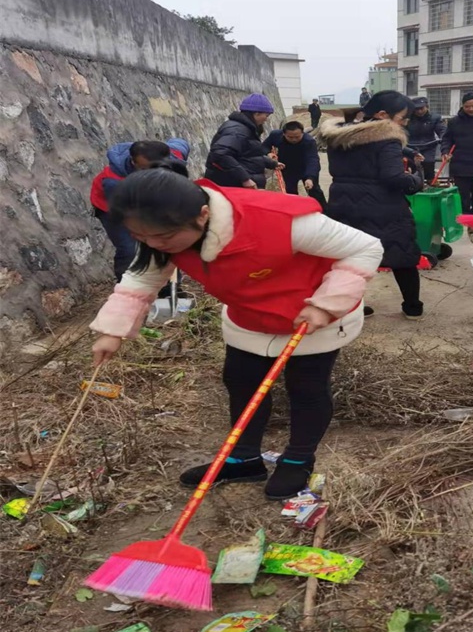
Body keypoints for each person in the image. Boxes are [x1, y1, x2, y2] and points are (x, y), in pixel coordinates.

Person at [89, 165, 383, 500]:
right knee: (241, 381)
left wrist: (325, 305)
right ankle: (244, 458)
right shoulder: (160, 232)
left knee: (307, 386)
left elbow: (366, 248)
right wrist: (113, 330)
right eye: (141, 238)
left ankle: (299, 458)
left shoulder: (280, 220)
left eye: (164, 238)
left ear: (202, 215)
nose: (155, 245)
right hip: (249, 315)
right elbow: (141, 279)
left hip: (312, 313)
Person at [318, 90, 425, 319]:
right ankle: (412, 306)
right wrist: (416, 179)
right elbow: (393, 178)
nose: (403, 124)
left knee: (350, 257)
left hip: (342, 203)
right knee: (401, 254)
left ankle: (353, 305)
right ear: (383, 114)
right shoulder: (387, 139)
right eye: (401, 119)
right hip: (382, 206)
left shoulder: (340, 135)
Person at [90, 139, 190, 281]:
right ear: (133, 162)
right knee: (129, 248)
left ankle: (169, 288)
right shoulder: (115, 181)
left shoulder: (174, 155)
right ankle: (126, 287)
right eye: (145, 169)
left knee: (166, 241)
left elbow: (181, 143)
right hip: (114, 208)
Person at [205, 93, 282, 189]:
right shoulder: (237, 131)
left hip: (238, 184)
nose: (266, 119)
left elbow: (249, 155)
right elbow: (221, 154)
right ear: (256, 114)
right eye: (266, 115)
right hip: (231, 186)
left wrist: (272, 163)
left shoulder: (247, 129)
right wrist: (245, 179)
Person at [263, 121, 328, 211]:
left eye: (297, 137)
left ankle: (324, 212)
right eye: (290, 137)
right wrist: (268, 153)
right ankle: (295, 211)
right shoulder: (276, 135)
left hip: (305, 167)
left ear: (302, 133)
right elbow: (264, 146)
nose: (294, 139)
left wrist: (310, 177)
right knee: (290, 191)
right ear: (284, 134)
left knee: (314, 190)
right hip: (287, 167)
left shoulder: (309, 141)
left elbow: (312, 160)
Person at [407, 97, 446, 184]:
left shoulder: (435, 118)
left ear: (427, 107)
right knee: (410, 164)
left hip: (429, 145)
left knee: (428, 162)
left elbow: (442, 130)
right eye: (417, 109)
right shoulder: (407, 119)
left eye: (422, 108)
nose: (419, 111)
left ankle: (430, 181)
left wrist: (443, 138)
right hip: (410, 146)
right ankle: (411, 182)